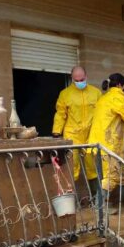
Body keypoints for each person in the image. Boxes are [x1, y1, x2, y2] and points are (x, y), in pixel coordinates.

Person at [87, 73, 124, 211]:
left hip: (99, 142)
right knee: (111, 175)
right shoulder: (117, 97)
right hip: (109, 143)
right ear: (119, 85)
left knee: (122, 172)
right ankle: (100, 206)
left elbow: (120, 122)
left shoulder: (104, 98)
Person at [52, 66, 102, 196]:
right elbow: (60, 113)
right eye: (77, 80)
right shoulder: (65, 94)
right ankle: (70, 198)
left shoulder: (96, 92)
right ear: (72, 79)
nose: (80, 82)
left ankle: (97, 198)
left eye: (82, 79)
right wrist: (56, 132)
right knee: (72, 166)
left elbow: (101, 113)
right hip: (72, 133)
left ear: (86, 76)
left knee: (93, 167)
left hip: (91, 133)